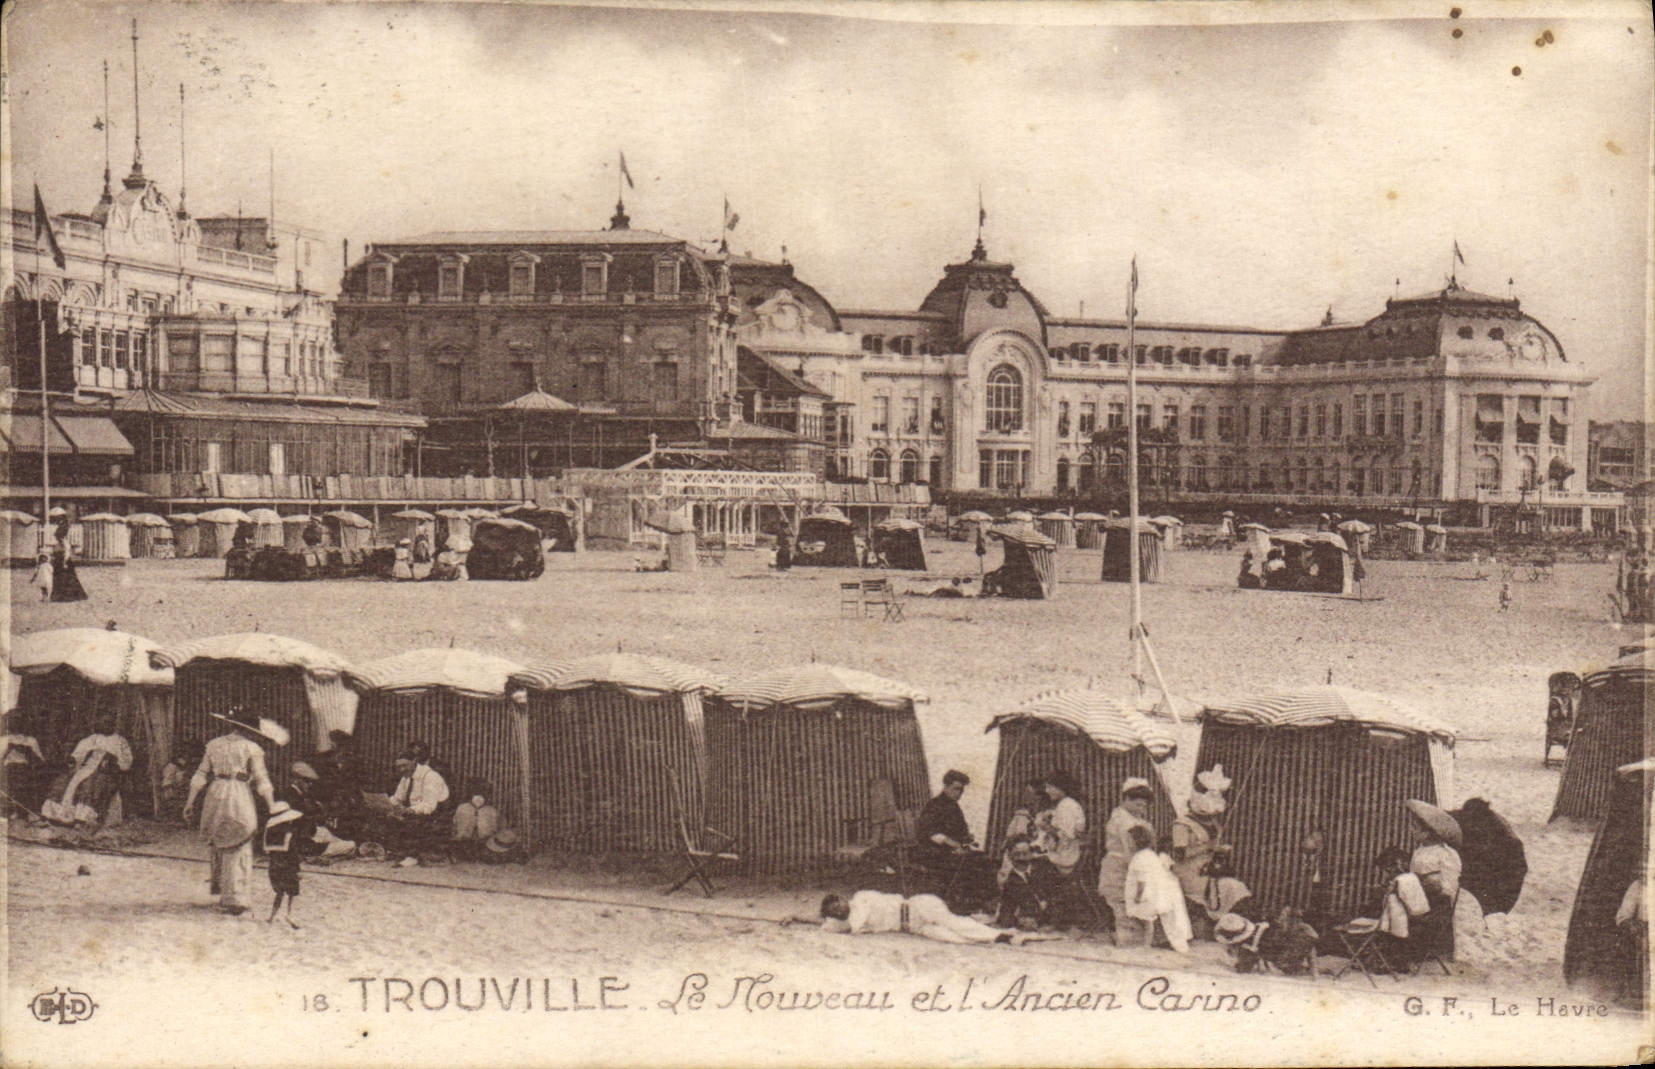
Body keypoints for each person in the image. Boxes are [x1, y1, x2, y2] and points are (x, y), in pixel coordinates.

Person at [183, 708, 282, 915]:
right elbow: (262, 779)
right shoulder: (251, 748)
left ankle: (223, 889)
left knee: (222, 836)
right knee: (241, 837)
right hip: (238, 793)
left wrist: (190, 801)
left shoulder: (214, 745)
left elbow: (200, 774)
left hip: (216, 791)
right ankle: (235, 897)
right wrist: (272, 804)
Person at [802, 891, 1051, 946]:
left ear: (842, 899)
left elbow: (845, 926)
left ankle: (1005, 935)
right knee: (954, 939)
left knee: (954, 923)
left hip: (918, 907)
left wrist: (826, 920)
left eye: (838, 905)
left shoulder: (861, 898)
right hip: (914, 926)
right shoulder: (846, 920)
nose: (840, 910)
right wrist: (798, 917)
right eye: (835, 911)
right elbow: (833, 925)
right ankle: (1002, 936)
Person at [41, 715, 133, 826]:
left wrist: (114, 762)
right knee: (63, 781)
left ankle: (82, 818)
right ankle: (53, 814)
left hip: (106, 772)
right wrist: (73, 759)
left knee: (92, 784)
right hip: (85, 768)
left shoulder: (120, 741)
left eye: (108, 723)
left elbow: (126, 761)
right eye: (103, 723)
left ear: (113, 725)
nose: (106, 725)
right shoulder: (92, 739)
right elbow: (78, 754)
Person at [1171, 765, 1229, 931]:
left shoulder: (1212, 822)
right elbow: (1180, 855)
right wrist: (1208, 847)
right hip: (1188, 871)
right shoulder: (1182, 824)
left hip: (1207, 869)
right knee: (1208, 893)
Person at [1098, 778, 1156, 945]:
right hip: (1120, 865)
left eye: (1144, 806)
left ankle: (1134, 938)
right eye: (1138, 805)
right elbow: (1130, 848)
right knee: (1122, 902)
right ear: (1126, 800)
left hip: (1130, 863)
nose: (1141, 809)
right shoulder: (1122, 820)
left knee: (1133, 901)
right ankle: (1126, 939)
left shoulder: (1134, 819)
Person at [1406, 800, 1462, 962]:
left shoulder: (1445, 854)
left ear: (1428, 832)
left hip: (1435, 903)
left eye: (1415, 828)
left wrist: (1432, 883)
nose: (1411, 831)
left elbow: (1450, 887)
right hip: (1417, 898)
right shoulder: (1419, 851)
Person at [1124, 827, 1192, 953]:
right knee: (1156, 922)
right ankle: (1156, 944)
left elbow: (1142, 879)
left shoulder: (1140, 857)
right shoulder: (1151, 855)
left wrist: (1138, 896)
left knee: (1146, 921)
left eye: (1129, 840)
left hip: (1145, 895)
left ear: (1136, 841)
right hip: (1156, 894)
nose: (1127, 843)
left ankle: (1146, 945)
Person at [263, 797, 320, 928]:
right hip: (288, 866)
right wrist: (298, 869)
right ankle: (290, 914)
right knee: (292, 892)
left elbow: (268, 852)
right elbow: (292, 853)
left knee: (279, 892)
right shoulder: (290, 833)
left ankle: (273, 915)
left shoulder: (270, 833)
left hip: (274, 866)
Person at [1215, 907, 1319, 976]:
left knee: (1288, 967)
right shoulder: (1261, 927)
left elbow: (1243, 969)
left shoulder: (1248, 947)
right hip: (1304, 940)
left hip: (1293, 951)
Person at [995, 841, 1049, 929]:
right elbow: (1005, 913)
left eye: (1025, 854)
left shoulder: (1043, 871)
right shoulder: (1008, 879)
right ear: (1010, 856)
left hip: (1052, 926)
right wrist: (1020, 921)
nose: (1021, 858)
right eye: (1017, 854)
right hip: (1028, 928)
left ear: (1031, 854)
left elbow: (1057, 900)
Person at [2, 712, 48, 815]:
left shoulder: (31, 740)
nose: (17, 724)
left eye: (20, 722)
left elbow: (40, 758)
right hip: (8, 767)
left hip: (25, 768)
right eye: (15, 721)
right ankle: (13, 809)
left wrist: (29, 754)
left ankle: (22, 810)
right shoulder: (5, 739)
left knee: (25, 777)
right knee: (12, 775)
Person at [451, 780, 502, 861]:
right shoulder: (462, 808)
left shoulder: (491, 811)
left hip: (485, 843)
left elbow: (497, 828)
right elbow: (455, 825)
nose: (478, 800)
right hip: (464, 842)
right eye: (476, 795)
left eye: (482, 796)